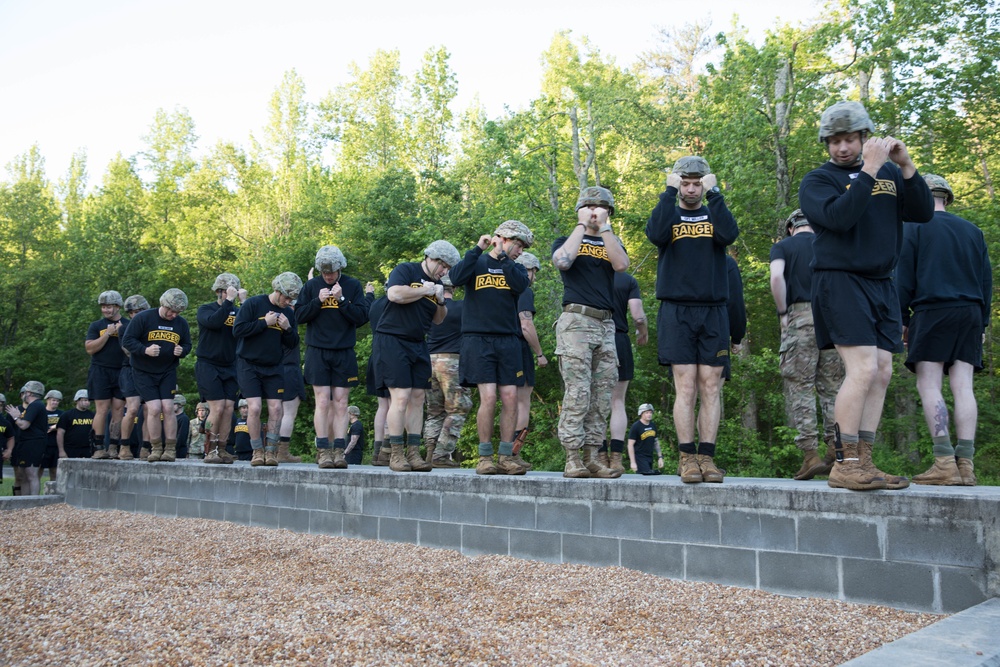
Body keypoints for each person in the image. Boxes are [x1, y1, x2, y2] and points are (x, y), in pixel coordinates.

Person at [799, 100, 934, 491]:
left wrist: (907, 167)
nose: (842, 148)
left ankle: (866, 460)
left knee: (882, 371)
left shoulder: (892, 173)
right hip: (839, 279)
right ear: (827, 144)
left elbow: (923, 213)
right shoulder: (818, 180)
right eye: (835, 141)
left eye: (850, 140)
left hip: (881, 282)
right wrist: (870, 170)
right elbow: (840, 218)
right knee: (861, 370)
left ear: (863, 137)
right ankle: (845, 462)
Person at [645, 156, 739, 484]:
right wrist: (665, 194)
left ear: (704, 183)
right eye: (685, 182)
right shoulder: (669, 213)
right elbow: (655, 234)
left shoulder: (715, 211)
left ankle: (707, 458)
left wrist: (717, 196)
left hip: (713, 309)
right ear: (678, 183)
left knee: (711, 386)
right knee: (685, 387)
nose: (690, 188)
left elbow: (729, 235)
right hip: (676, 309)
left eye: (696, 182)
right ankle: (687, 458)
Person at [897, 174, 992, 486]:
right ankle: (966, 465)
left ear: (922, 198)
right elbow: (986, 281)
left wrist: (902, 319)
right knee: (964, 385)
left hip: (932, 309)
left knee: (929, 384)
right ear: (947, 197)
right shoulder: (973, 231)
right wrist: (983, 322)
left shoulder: (912, 228)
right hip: (971, 312)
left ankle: (943, 462)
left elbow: (904, 279)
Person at [552, 186, 629, 479]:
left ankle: (592, 455)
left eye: (601, 206)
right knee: (578, 393)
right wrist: (582, 225)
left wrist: (605, 228)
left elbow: (622, 265)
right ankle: (573, 458)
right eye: (589, 205)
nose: (595, 210)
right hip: (576, 321)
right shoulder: (567, 240)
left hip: (606, 325)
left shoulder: (612, 240)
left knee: (602, 394)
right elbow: (562, 261)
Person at [448, 221, 533, 475]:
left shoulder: (515, 268)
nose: (520, 251)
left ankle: (506, 456)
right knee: (489, 397)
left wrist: (506, 258)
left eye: (522, 247)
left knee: (510, 397)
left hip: (508, 340)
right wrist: (477, 249)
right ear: (503, 239)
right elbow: (455, 277)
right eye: (518, 245)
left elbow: (521, 286)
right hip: (478, 340)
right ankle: (485, 456)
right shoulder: (476, 262)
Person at [769, 209, 845, 480]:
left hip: (799, 317)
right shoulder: (829, 245)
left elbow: (777, 277)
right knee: (832, 388)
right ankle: (836, 451)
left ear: (791, 227)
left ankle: (810, 455)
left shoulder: (783, 247)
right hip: (832, 320)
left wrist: (782, 313)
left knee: (800, 387)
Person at [373, 240, 460, 472]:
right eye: (443, 267)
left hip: (418, 342)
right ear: (432, 259)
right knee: (400, 397)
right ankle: (396, 453)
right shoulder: (406, 270)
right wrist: (426, 289)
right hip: (392, 338)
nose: (445, 272)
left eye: (448, 269)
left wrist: (440, 300)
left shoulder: (438, 284)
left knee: (418, 398)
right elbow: (394, 294)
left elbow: (439, 319)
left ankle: (413, 452)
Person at [296, 246, 372, 469]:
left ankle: (339, 451)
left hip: (344, 351)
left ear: (340, 268)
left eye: (332, 272)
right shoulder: (311, 286)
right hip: (317, 350)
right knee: (322, 401)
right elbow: (299, 316)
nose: (328, 276)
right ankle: (323, 450)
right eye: (324, 273)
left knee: (341, 403)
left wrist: (342, 300)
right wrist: (317, 301)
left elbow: (361, 317)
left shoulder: (352, 285)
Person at [232, 272, 301, 466]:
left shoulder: (288, 312)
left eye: (291, 299)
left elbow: (293, 343)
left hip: (274, 366)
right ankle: (257, 451)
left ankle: (271, 451)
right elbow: (237, 330)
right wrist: (264, 323)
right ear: (277, 290)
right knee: (254, 407)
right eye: (286, 297)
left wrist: (287, 328)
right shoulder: (253, 304)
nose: (287, 301)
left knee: (277, 409)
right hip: (249, 365)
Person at [121, 288, 193, 463]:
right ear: (163, 304)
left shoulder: (181, 323)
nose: (174, 315)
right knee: (153, 409)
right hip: (143, 371)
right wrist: (144, 350)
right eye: (172, 311)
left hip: (167, 371)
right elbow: (127, 341)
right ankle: (155, 447)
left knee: (168, 408)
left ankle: (169, 449)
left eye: (178, 312)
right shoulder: (143, 318)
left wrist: (182, 350)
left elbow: (187, 344)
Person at [599, 268, 649, 474]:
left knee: (598, 401)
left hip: (596, 338)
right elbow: (638, 317)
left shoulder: (593, 274)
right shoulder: (628, 280)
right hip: (619, 338)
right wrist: (643, 333)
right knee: (617, 401)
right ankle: (617, 458)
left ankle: (600, 456)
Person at [196, 273, 246, 465]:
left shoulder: (237, 311)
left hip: (230, 365)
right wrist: (229, 302)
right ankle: (210, 448)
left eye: (232, 291)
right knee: (216, 407)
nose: (229, 294)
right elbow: (215, 322)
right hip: (208, 364)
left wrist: (243, 303)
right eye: (226, 291)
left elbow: (249, 327)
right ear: (219, 292)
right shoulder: (205, 309)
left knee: (227, 408)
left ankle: (223, 447)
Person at [423, 276, 472, 468]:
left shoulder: (428, 308)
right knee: (459, 407)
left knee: (434, 411)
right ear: (455, 287)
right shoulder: (462, 308)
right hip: (452, 361)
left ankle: (429, 452)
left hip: (429, 361)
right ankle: (441, 454)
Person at [512, 252, 547, 471]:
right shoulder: (524, 290)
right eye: (534, 272)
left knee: (508, 401)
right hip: (518, 349)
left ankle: (506, 452)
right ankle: (513, 452)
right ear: (529, 270)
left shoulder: (503, 290)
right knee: (523, 401)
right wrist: (539, 353)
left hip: (500, 348)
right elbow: (526, 325)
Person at [86, 291, 128, 459]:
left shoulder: (128, 324)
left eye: (109, 307)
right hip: (100, 370)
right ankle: (98, 447)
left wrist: (121, 332)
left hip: (122, 370)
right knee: (101, 410)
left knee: (118, 410)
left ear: (118, 307)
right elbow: (90, 349)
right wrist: (107, 334)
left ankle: (113, 447)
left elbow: (131, 348)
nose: (106, 310)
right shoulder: (96, 326)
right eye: (103, 307)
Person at [118, 294, 150, 461]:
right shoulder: (124, 328)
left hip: (149, 372)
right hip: (130, 370)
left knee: (149, 410)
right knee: (132, 409)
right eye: (132, 312)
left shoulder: (151, 327)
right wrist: (147, 351)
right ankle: (124, 445)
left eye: (139, 311)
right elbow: (128, 350)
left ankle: (145, 447)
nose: (135, 315)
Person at [4, 381, 48, 495]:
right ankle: (25, 502)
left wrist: (15, 417)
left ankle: (34, 503)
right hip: (26, 443)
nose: (23, 395)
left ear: (29, 393)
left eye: (24, 392)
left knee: (31, 474)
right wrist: (18, 416)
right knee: (23, 475)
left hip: (34, 443)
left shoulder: (36, 405)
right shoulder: (34, 406)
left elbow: (24, 425)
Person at [366, 285, 392, 466]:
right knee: (395, 403)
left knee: (382, 405)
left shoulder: (375, 304)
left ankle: (377, 451)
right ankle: (387, 449)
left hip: (375, 354)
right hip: (392, 354)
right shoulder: (396, 304)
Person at [57, 390, 95, 459]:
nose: (87, 403)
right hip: (70, 449)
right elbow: (60, 433)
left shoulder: (93, 415)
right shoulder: (67, 415)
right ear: (77, 400)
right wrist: (61, 451)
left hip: (88, 449)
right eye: (85, 400)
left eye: (89, 401)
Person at [628, 403, 663, 475]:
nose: (649, 414)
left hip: (650, 456)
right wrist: (633, 462)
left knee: (652, 476)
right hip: (639, 457)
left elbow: (656, 442)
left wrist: (660, 457)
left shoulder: (652, 425)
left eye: (650, 412)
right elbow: (630, 445)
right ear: (641, 413)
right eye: (646, 413)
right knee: (646, 475)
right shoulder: (636, 426)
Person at [42, 390, 64, 479]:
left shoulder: (62, 414)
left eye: (57, 401)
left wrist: (56, 426)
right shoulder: (41, 412)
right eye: (53, 400)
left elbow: (65, 427)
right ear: (47, 400)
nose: (55, 402)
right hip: (43, 445)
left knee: (54, 471)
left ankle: (53, 491)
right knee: (39, 470)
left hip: (56, 446)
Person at [174, 395, 190, 459]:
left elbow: (181, 437)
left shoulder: (184, 418)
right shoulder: (171, 418)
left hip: (179, 450)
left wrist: (174, 447)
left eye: (174, 404)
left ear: (180, 405)